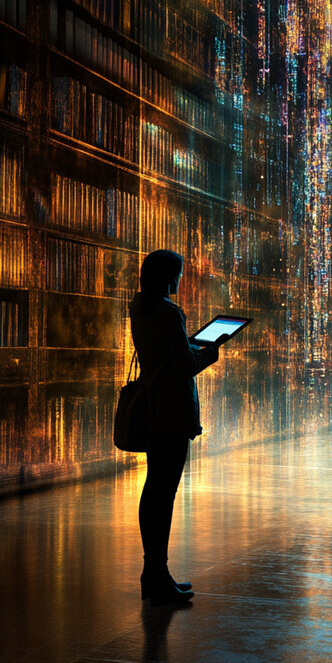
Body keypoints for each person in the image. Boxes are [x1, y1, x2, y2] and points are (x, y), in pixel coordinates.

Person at [129, 249, 226, 606]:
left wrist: (185, 345)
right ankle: (157, 574)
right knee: (164, 493)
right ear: (170, 275)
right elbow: (184, 366)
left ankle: (153, 572)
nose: (181, 280)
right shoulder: (170, 313)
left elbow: (163, 354)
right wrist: (209, 352)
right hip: (172, 411)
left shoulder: (139, 307)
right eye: (179, 274)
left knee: (153, 489)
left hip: (154, 408)